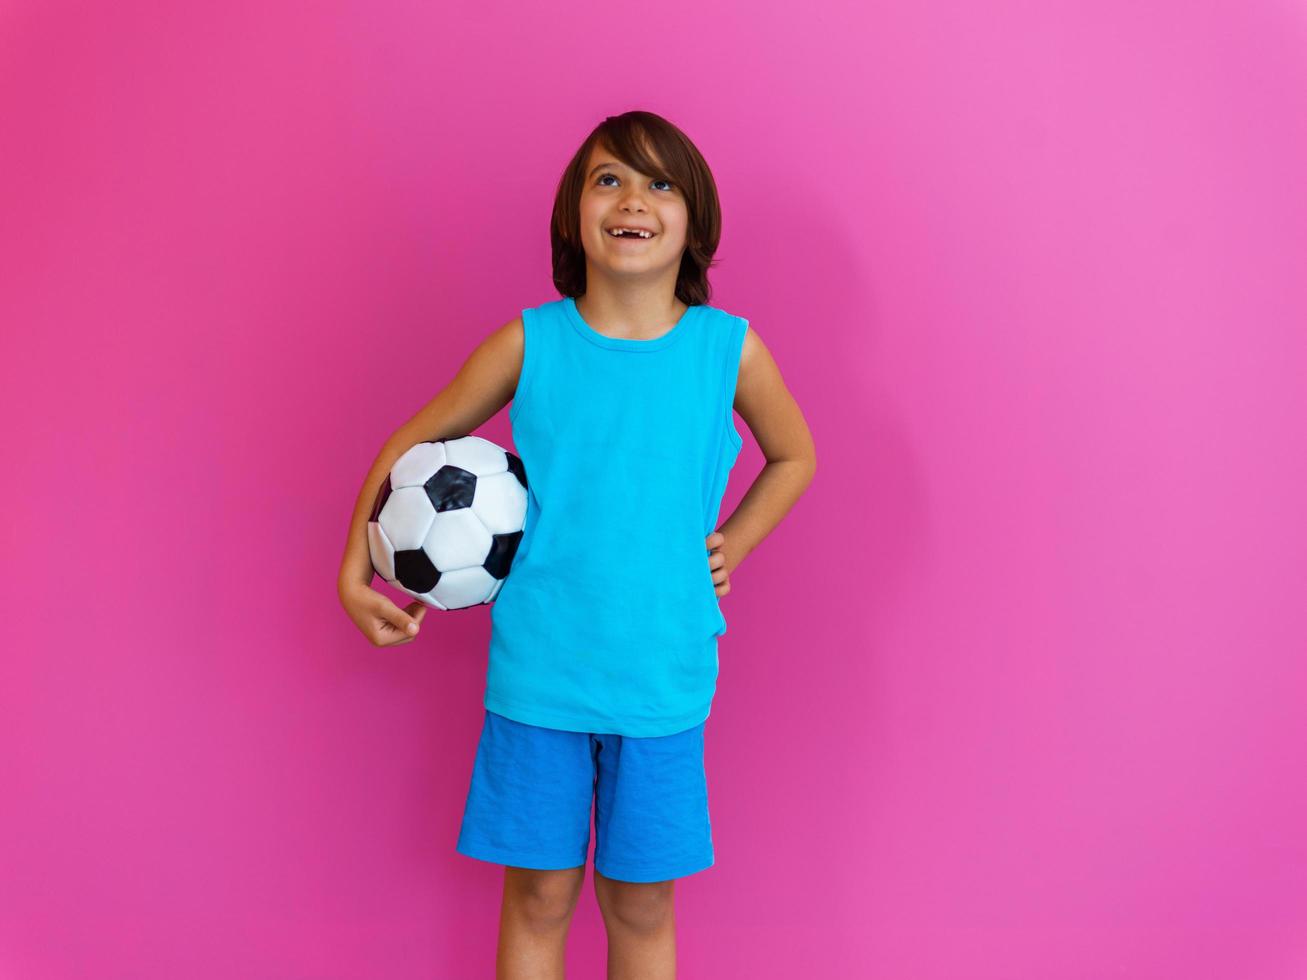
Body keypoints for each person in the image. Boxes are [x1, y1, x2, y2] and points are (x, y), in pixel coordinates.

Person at [337, 109, 816, 979]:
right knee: (540, 897)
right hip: (539, 677)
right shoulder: (531, 341)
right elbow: (410, 444)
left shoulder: (727, 350)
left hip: (660, 681)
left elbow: (794, 454)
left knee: (639, 905)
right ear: (572, 214)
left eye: (659, 183)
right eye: (609, 179)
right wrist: (351, 567)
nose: (633, 199)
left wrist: (734, 543)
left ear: (694, 220)